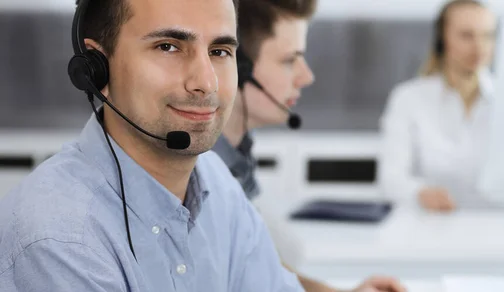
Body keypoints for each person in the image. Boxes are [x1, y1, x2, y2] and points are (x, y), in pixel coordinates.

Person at [0, 0, 307, 291]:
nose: (207, 81)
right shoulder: (61, 240)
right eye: (168, 47)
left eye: (220, 51)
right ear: (96, 70)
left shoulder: (218, 185)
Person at [212, 0, 406, 291]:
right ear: (240, 67)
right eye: (290, 60)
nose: (306, 76)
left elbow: (256, 268)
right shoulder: (201, 174)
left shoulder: (238, 158)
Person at [378, 0, 497, 212]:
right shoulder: (408, 98)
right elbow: (390, 179)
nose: (479, 46)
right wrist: (420, 192)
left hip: (493, 225)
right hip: (427, 224)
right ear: (443, 40)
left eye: (487, 35)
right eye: (466, 35)